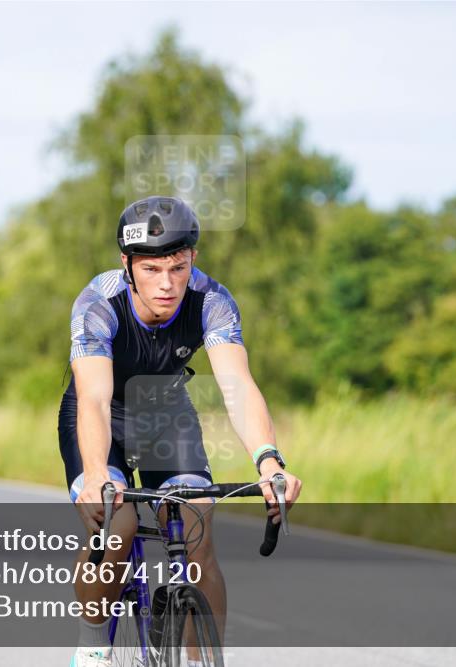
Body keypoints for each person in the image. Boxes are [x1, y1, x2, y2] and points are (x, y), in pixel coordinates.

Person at [59, 195, 303, 667]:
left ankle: (200, 660)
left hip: (165, 411)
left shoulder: (212, 300)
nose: (167, 284)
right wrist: (96, 475)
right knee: (119, 524)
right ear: (127, 265)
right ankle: (92, 644)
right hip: (99, 414)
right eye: (152, 270)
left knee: (196, 526)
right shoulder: (97, 303)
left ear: (192, 259)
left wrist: (269, 458)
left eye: (178, 266)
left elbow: (238, 385)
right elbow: (91, 398)